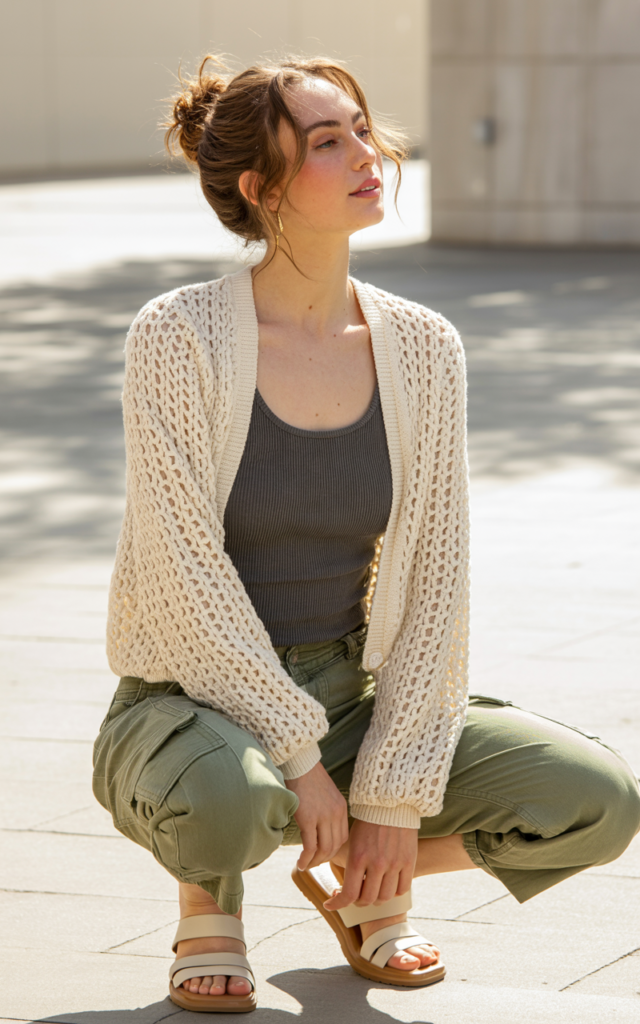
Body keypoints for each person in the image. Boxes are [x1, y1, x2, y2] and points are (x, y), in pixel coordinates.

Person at [92, 55, 640, 1013]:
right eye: (326, 141)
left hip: (354, 686)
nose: (368, 155)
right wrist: (303, 762)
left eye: (361, 127)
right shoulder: (176, 335)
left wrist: (391, 798)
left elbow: (438, 576)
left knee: (596, 799)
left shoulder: (424, 345)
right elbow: (185, 575)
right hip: (185, 696)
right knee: (236, 797)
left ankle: (366, 885)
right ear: (261, 189)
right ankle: (204, 901)